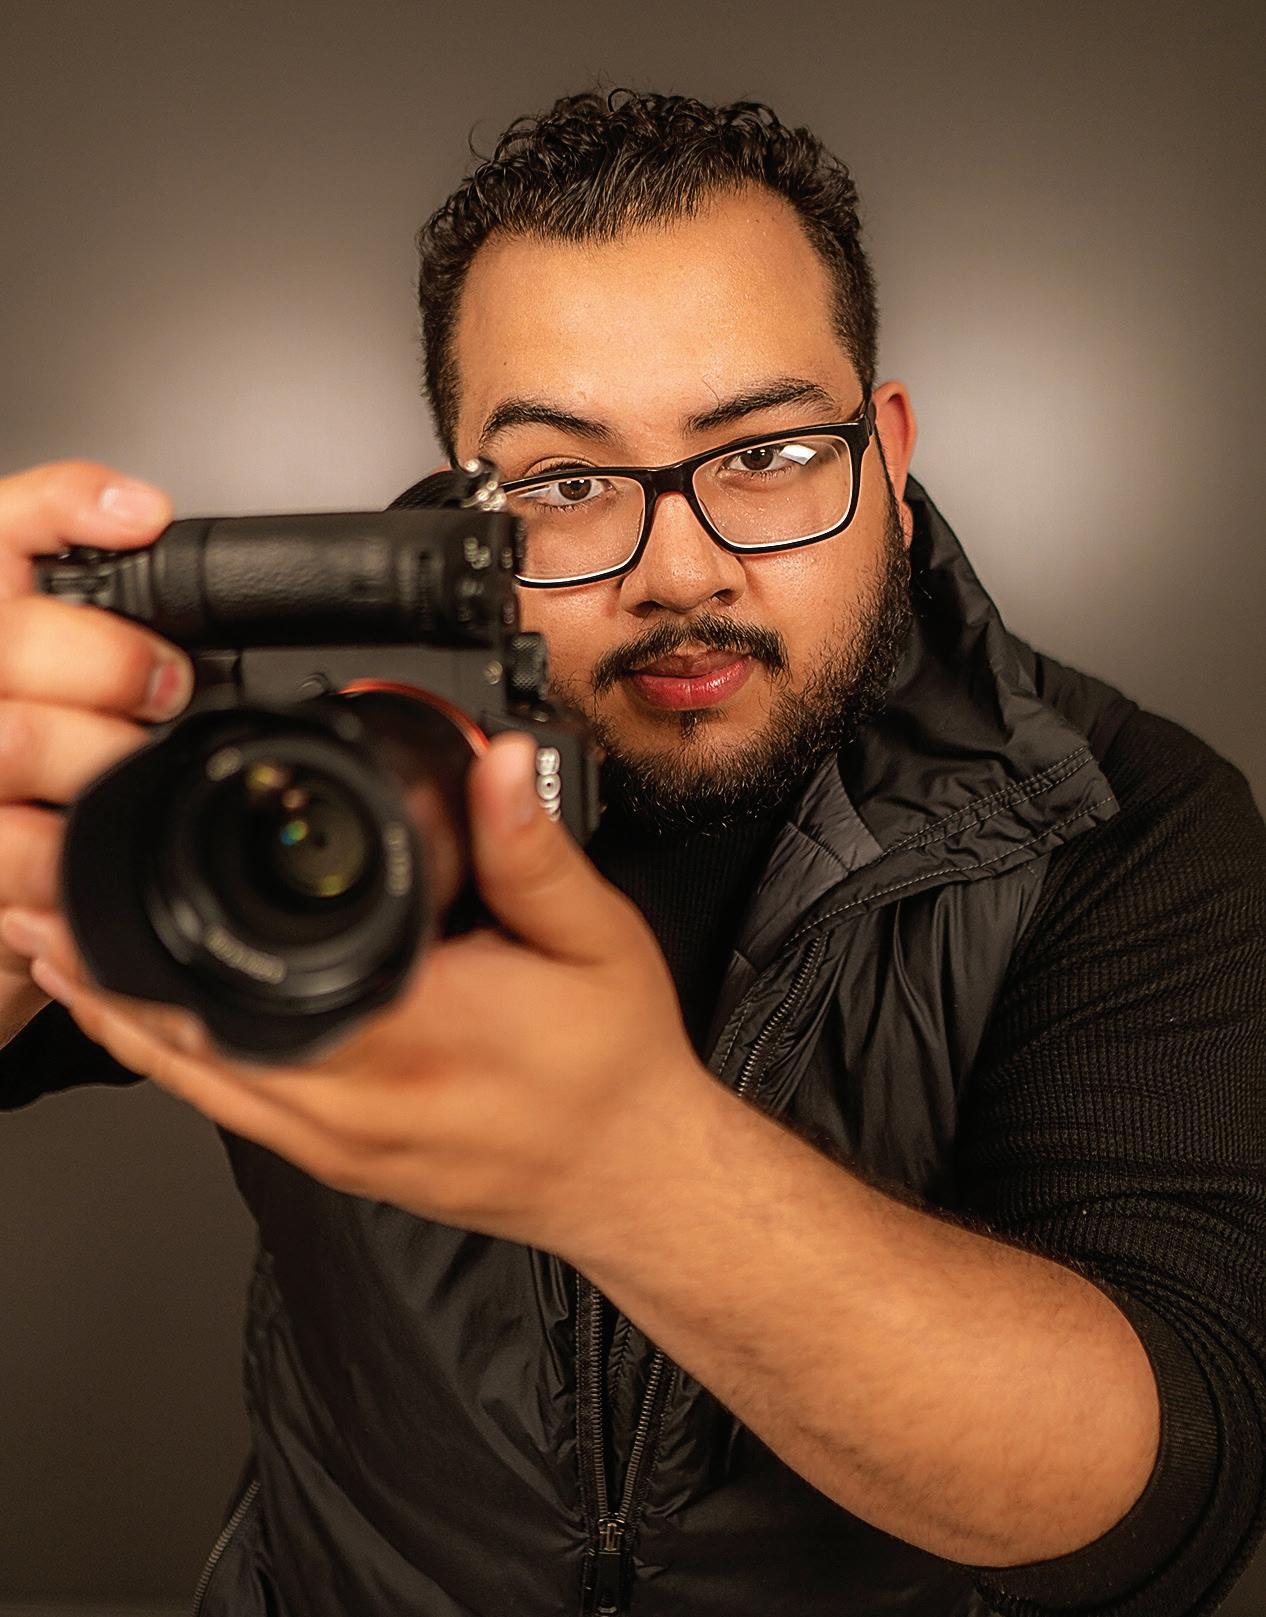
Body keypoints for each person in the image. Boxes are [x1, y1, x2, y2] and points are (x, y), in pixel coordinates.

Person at [0, 89, 1262, 1617]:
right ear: (467, 492)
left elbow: (1163, 1488)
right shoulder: (271, 745)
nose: (679, 568)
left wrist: (627, 1166)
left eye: (767, 452)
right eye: (564, 484)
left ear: (887, 453)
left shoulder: (1115, 812)